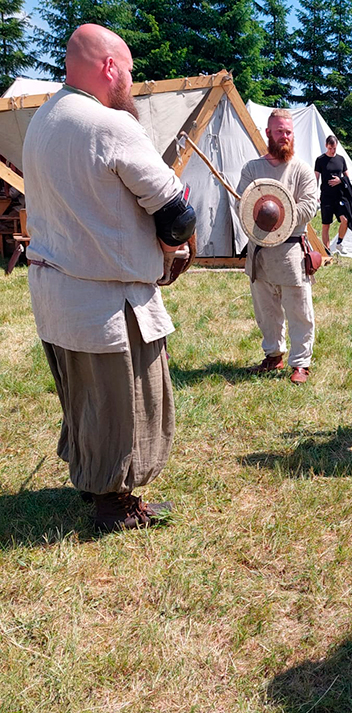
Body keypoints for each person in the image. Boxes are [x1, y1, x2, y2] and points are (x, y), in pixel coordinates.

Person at [23, 24, 196, 531]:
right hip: (106, 301)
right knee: (125, 405)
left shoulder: (44, 119)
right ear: (108, 68)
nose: (131, 84)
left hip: (57, 297)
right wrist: (172, 250)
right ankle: (114, 504)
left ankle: (96, 482)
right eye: (129, 72)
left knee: (87, 401)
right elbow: (174, 210)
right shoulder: (108, 124)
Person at [239, 109, 318, 384]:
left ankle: (300, 362)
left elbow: (310, 206)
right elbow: (243, 203)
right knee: (266, 310)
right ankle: (273, 355)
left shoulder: (302, 169)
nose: (284, 136)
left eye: (288, 132)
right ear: (268, 133)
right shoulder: (252, 169)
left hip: (291, 250)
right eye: (279, 131)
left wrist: (282, 215)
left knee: (299, 309)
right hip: (260, 251)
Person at [314, 135, 352, 251]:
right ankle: (327, 251)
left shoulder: (341, 159)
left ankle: (339, 242)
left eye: (334, 149)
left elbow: (347, 176)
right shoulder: (320, 160)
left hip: (339, 196)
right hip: (326, 196)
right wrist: (315, 194)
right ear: (326, 146)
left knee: (345, 219)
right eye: (330, 148)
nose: (332, 151)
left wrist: (340, 180)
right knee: (326, 224)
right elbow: (315, 178)